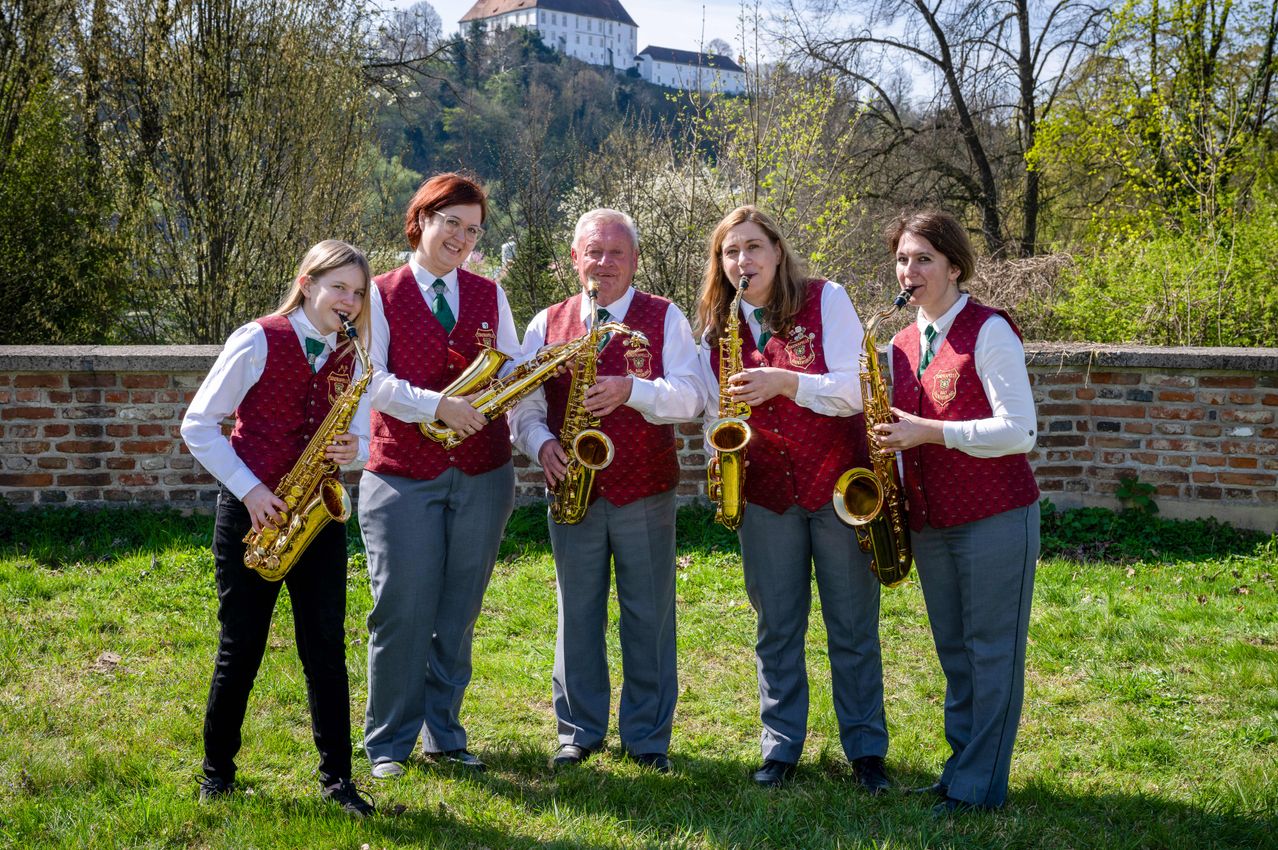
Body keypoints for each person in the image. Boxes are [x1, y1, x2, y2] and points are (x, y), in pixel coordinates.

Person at [693, 206, 891, 791]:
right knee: (776, 626)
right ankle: (780, 746)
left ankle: (866, 751)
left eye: (753, 248)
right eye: (730, 253)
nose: (742, 261)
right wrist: (718, 461)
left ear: (778, 251)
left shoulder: (827, 299)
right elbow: (712, 414)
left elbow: (858, 388)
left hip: (837, 488)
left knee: (852, 624)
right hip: (765, 494)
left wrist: (788, 382)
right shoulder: (716, 329)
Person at [180, 240, 375, 817]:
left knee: (326, 650)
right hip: (254, 512)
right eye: (339, 286)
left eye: (358, 293)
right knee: (241, 647)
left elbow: (362, 440)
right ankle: (217, 774)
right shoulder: (258, 338)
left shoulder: (354, 355)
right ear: (307, 281)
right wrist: (252, 491)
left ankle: (338, 780)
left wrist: (353, 447)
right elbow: (199, 425)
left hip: (318, 514)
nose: (349, 300)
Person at [508, 208, 706, 774]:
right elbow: (523, 404)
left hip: (644, 489)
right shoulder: (545, 323)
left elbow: (691, 397)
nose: (604, 263)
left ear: (635, 260)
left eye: (617, 253)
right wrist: (542, 443)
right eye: (594, 252)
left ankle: (647, 737)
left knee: (648, 614)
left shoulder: (664, 317)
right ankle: (578, 730)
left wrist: (632, 390)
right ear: (575, 260)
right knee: (577, 611)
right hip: (572, 488)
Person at [873, 210, 1039, 816]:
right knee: (956, 652)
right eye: (901, 260)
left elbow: (1020, 431)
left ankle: (978, 787)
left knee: (992, 651)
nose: (908, 271)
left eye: (922, 259)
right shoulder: (900, 343)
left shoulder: (990, 330)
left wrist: (929, 433)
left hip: (995, 514)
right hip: (931, 520)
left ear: (953, 266)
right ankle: (961, 769)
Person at [360, 172, 520, 779]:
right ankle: (388, 742)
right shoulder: (377, 292)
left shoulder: (490, 294)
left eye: (473, 229)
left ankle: (444, 733)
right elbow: (367, 380)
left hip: (483, 472)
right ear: (422, 219)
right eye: (450, 221)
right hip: (403, 473)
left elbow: (511, 370)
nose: (461, 237)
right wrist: (437, 406)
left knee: (457, 610)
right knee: (402, 607)